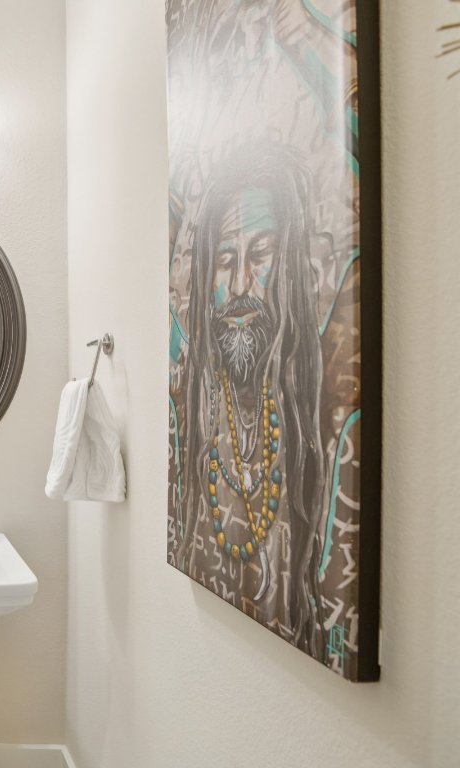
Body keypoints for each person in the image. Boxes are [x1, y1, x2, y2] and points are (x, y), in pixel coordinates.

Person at [171, 141, 327, 659]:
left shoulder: (327, 432)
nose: (240, 283)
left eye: (260, 255)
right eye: (224, 261)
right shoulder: (186, 417)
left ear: (289, 267)